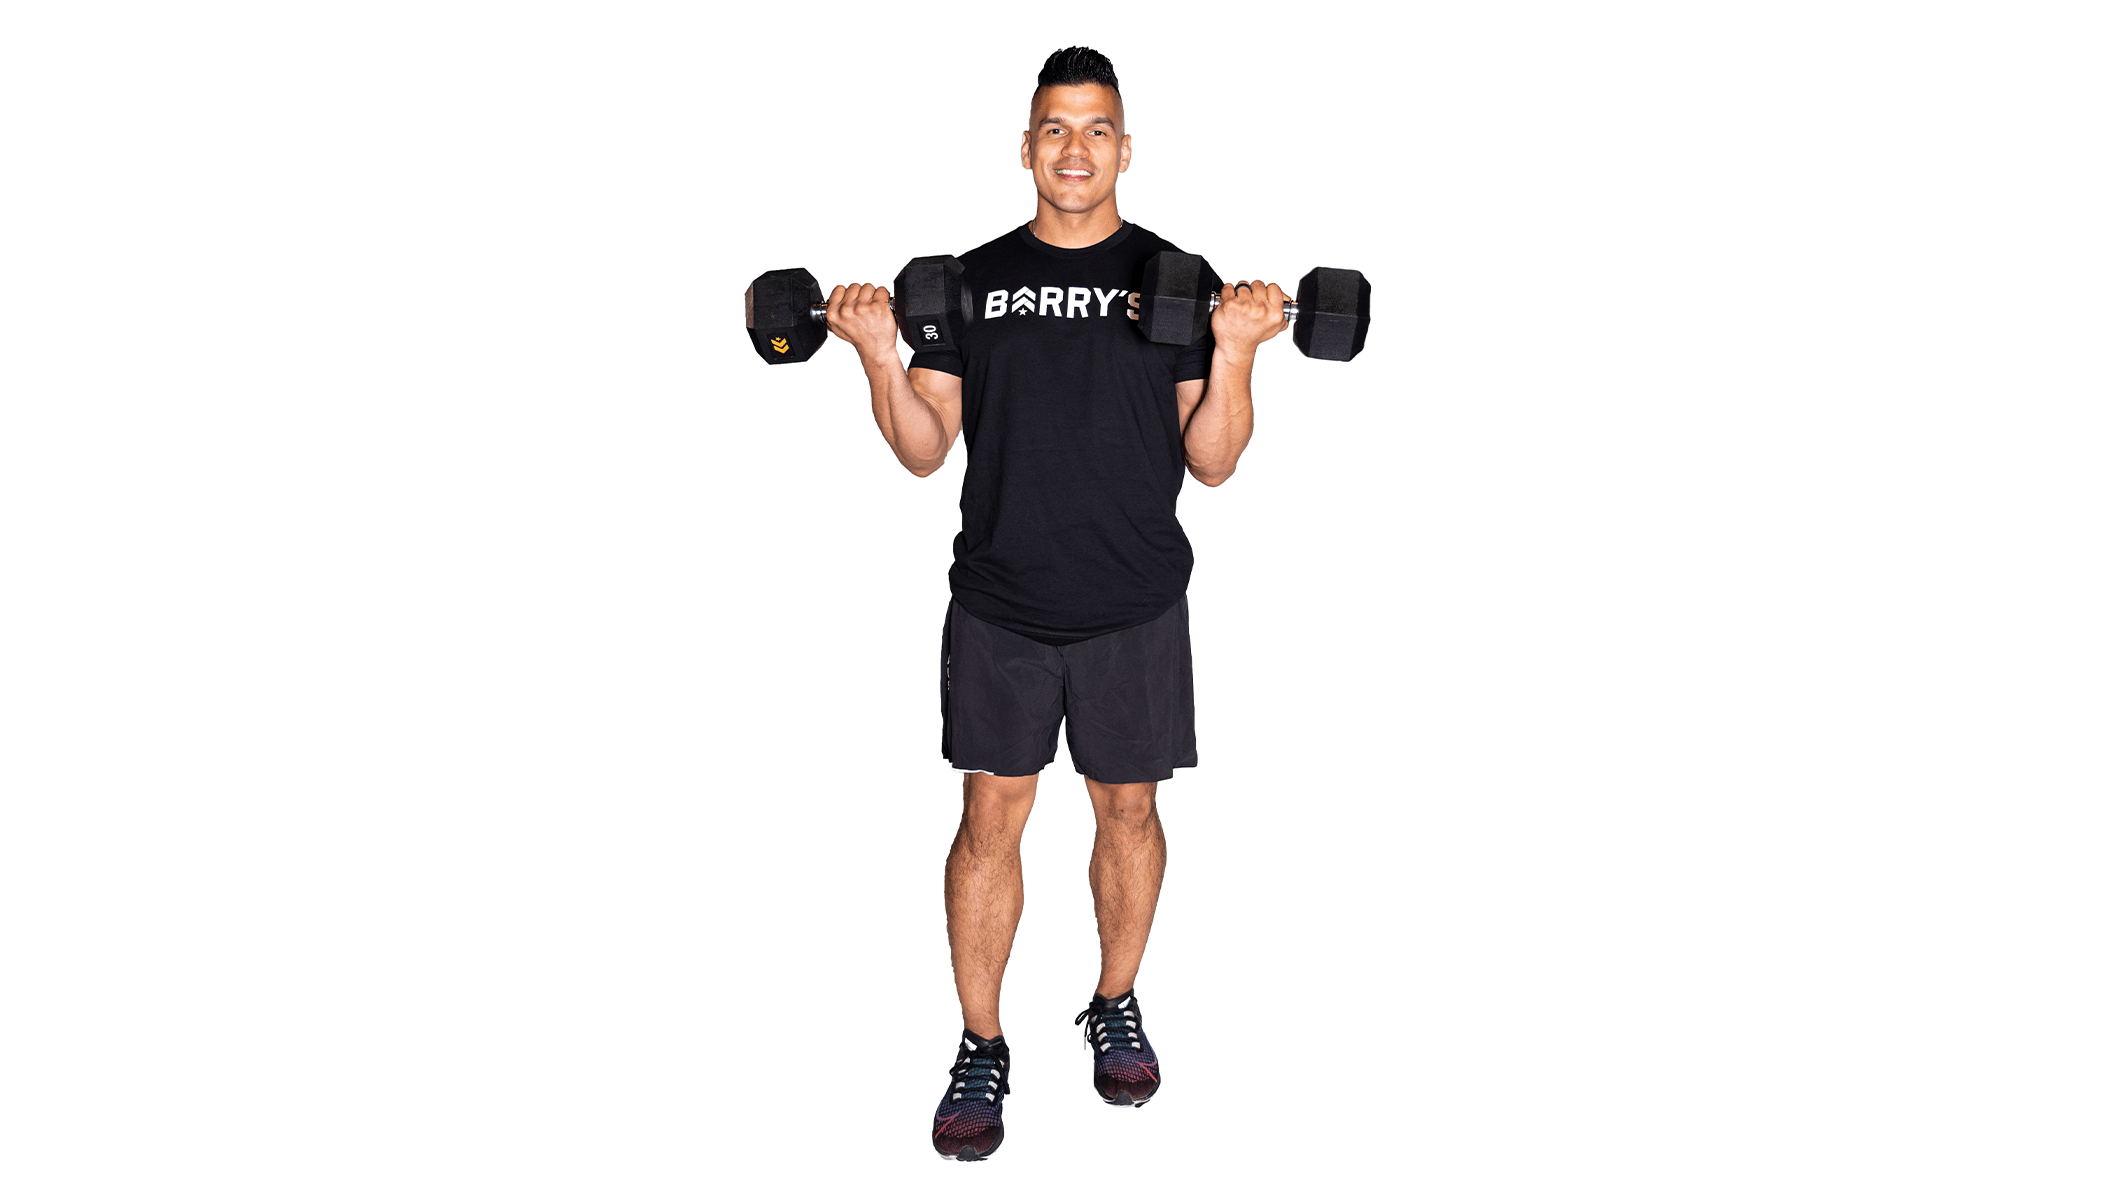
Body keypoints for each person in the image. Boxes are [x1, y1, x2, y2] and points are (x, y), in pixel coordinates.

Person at [821, 46, 1292, 1161]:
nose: (1072, 150)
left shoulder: (1176, 276)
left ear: (1123, 150)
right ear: (1025, 146)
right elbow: (926, 449)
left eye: (1093, 131)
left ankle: (1113, 1000)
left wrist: (1234, 356)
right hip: (1001, 603)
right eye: (1052, 129)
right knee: (992, 821)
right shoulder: (961, 283)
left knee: (1127, 814)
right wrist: (878, 362)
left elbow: (1213, 462)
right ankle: (981, 1046)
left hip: (1132, 602)